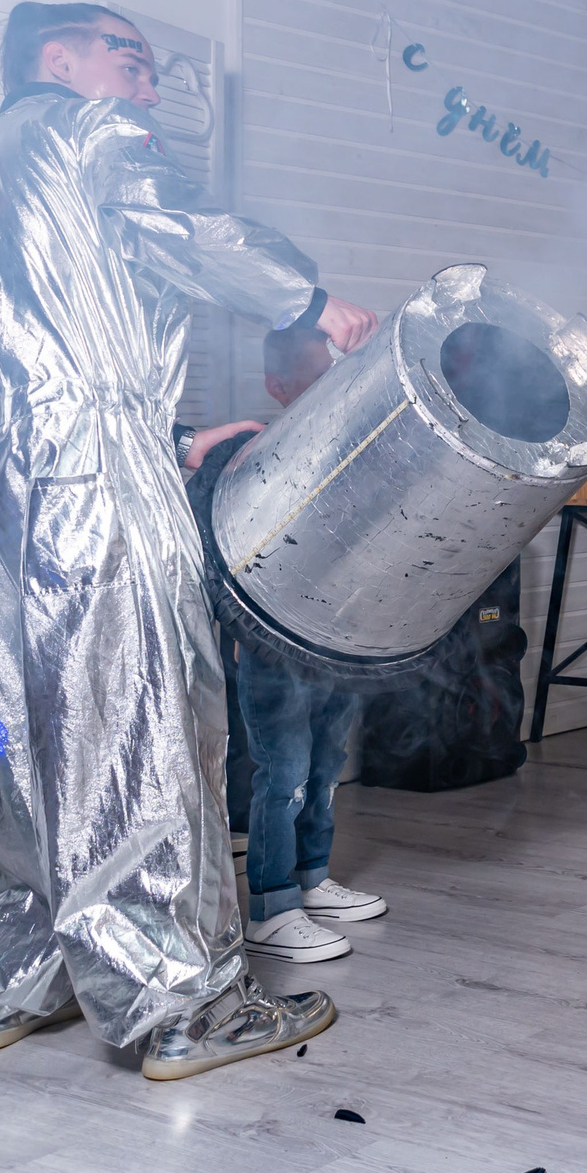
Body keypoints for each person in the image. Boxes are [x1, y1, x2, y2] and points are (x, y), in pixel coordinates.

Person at [0, 1, 378, 1079]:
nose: (150, 86)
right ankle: (183, 1007)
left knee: (23, 735)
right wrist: (307, 299)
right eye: (132, 59)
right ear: (56, 59)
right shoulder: (90, 131)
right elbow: (187, 229)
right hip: (89, 471)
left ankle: (9, 978)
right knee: (144, 719)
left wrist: (162, 433)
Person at [203, 324, 390, 966]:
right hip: (276, 643)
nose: (332, 384)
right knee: (283, 773)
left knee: (325, 764)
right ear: (278, 386)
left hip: (337, 634)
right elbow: (227, 552)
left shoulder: (355, 445)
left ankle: (312, 879)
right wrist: (241, 632)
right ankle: (272, 908)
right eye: (316, 375)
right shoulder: (256, 455)